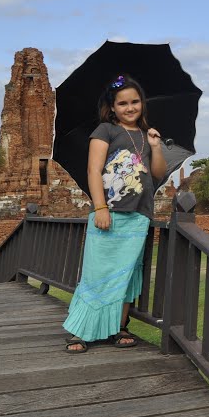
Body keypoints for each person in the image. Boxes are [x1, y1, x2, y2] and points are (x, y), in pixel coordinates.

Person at [64, 74, 167, 353]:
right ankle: (79, 331)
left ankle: (118, 327)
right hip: (109, 212)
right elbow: (93, 171)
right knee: (98, 273)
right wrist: (100, 207)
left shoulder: (147, 136)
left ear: (142, 104)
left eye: (135, 102)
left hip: (138, 216)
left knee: (127, 275)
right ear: (112, 107)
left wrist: (156, 147)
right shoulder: (105, 131)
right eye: (123, 103)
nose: (130, 107)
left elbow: (157, 175)